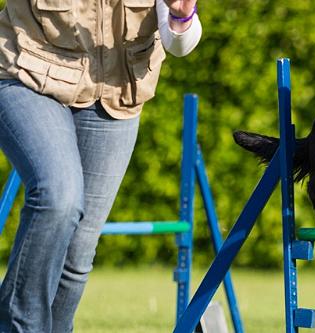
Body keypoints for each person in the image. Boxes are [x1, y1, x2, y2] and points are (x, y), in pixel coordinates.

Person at [0, 0, 201, 331]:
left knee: (76, 258)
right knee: (58, 197)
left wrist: (181, 16)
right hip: (27, 74)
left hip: (115, 96)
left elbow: (177, 43)